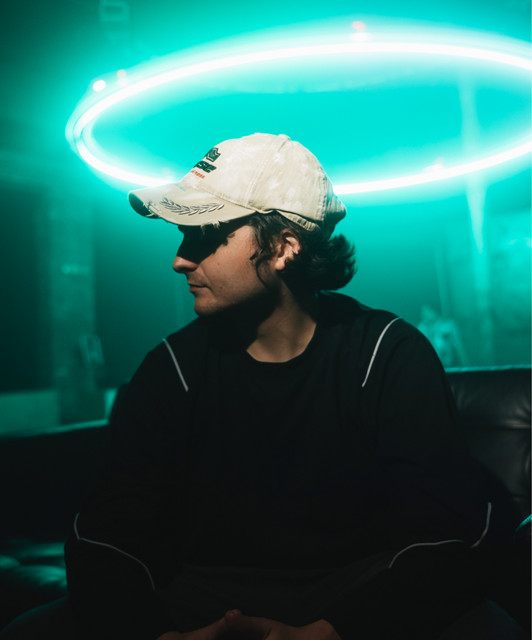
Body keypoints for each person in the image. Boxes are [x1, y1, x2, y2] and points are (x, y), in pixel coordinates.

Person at [0, 133, 515, 640]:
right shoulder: (172, 368)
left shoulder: (387, 355)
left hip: (359, 593)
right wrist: (155, 634)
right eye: (182, 236)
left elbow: (448, 535)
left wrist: (334, 632)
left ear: (284, 247)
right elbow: (107, 533)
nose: (180, 259)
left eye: (205, 235)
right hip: (196, 599)